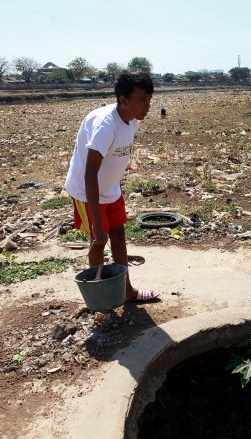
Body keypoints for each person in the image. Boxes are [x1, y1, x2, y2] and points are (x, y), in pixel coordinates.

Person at [65, 69, 160, 303]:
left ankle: (126, 290)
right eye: (142, 99)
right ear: (124, 99)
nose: (147, 106)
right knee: (99, 240)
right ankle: (99, 299)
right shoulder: (105, 125)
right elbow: (89, 175)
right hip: (88, 192)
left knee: (118, 233)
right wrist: (97, 221)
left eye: (149, 99)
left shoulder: (132, 121)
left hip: (111, 189)